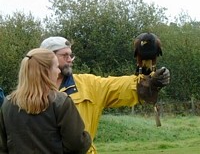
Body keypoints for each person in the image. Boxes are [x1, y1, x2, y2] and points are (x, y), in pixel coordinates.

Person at [40, 36, 170, 154]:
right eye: (64, 55)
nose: (70, 60)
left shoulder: (88, 85)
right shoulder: (29, 93)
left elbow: (116, 87)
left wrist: (149, 82)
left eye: (71, 55)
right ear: (47, 58)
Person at [0, 48, 91, 154]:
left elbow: (2, 146)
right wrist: (87, 138)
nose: (58, 71)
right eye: (56, 67)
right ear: (46, 71)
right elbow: (76, 144)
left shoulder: (8, 103)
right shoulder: (61, 102)